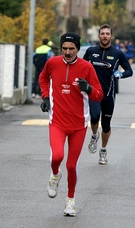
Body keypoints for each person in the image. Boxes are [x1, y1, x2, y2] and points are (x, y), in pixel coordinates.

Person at [38, 32, 103, 217]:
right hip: (57, 121)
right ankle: (54, 175)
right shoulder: (52, 63)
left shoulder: (87, 67)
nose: (67, 52)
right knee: (57, 156)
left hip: (79, 124)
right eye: (64, 48)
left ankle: (70, 202)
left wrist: (88, 89)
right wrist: (45, 97)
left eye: (71, 49)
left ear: (77, 49)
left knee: (72, 166)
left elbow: (99, 94)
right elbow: (43, 79)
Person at [82, 24, 133, 165]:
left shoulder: (118, 54)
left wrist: (121, 74)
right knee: (93, 117)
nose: (105, 36)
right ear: (99, 36)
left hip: (109, 95)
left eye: (107, 34)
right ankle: (94, 135)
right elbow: (81, 67)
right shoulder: (91, 51)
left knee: (106, 125)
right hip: (93, 92)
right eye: (102, 33)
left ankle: (103, 150)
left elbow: (130, 71)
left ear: (111, 36)